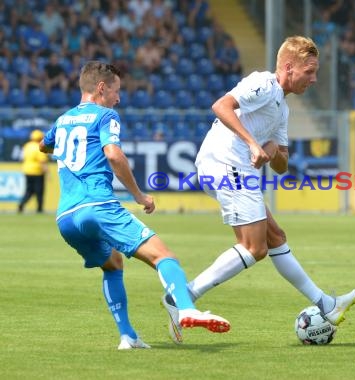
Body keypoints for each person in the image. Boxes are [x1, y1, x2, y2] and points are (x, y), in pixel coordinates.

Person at [161, 36, 355, 344]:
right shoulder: (264, 84)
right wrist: (253, 143)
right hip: (226, 164)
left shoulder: (282, 110)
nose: (314, 78)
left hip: (234, 168)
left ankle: (326, 305)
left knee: (275, 237)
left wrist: (269, 148)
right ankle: (182, 298)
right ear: (289, 68)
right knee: (255, 248)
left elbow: (282, 164)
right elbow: (221, 106)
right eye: (309, 71)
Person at [39, 61, 230, 350]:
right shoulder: (106, 115)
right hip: (98, 205)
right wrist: (139, 196)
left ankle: (127, 336)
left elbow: (44, 145)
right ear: (101, 88)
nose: (119, 98)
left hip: (66, 216)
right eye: (116, 91)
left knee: (112, 264)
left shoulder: (63, 119)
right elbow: (114, 156)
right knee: (164, 257)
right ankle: (186, 309)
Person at [18, 129, 48, 213]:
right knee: (39, 191)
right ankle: (39, 209)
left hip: (27, 171)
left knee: (29, 190)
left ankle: (21, 204)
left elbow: (22, 158)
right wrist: (47, 172)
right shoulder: (39, 146)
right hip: (37, 172)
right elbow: (43, 161)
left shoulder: (27, 145)